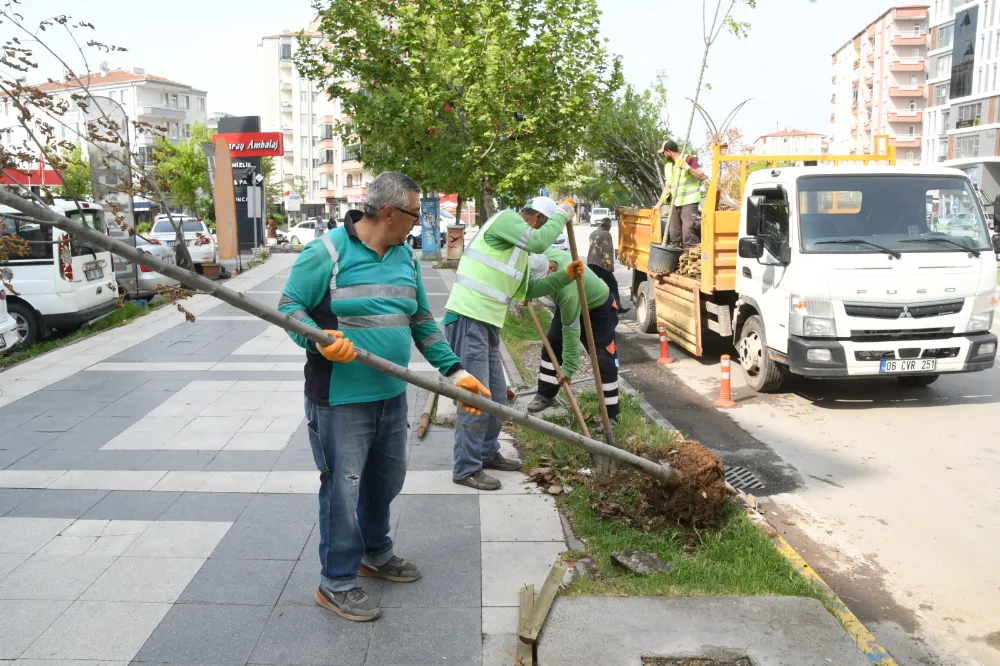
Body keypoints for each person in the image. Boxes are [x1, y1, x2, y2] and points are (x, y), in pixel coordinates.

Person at [278, 171, 491, 623]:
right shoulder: (327, 253)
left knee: (386, 482)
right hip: (339, 400)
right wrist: (318, 338)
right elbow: (288, 310)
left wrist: (456, 371)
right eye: (414, 213)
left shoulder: (405, 258)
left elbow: (421, 322)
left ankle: (374, 553)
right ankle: (336, 582)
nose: (418, 223)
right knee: (343, 488)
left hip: (392, 394)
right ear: (390, 212)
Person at [444, 196, 585, 490]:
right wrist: (564, 212)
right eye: (545, 226)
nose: (542, 234)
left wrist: (564, 276)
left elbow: (528, 291)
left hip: (488, 325)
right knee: (476, 399)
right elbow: (538, 243)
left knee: (496, 396)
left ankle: (486, 452)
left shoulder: (517, 253)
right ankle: (466, 468)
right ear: (536, 219)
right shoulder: (507, 218)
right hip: (468, 318)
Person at [526, 249, 621, 424]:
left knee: (603, 359)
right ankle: (545, 394)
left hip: (599, 309)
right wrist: (526, 293)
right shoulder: (543, 257)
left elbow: (571, 331)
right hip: (572, 302)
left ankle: (611, 414)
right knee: (552, 345)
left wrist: (568, 369)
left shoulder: (567, 291)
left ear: (552, 270)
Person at [653, 140, 707, 248]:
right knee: (674, 233)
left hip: (690, 202)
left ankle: (690, 257)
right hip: (675, 203)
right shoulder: (668, 166)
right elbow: (667, 188)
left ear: (668, 151)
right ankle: (676, 259)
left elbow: (702, 177)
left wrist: (687, 167)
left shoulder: (688, 159)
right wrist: (658, 205)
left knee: (688, 231)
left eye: (664, 153)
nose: (663, 155)